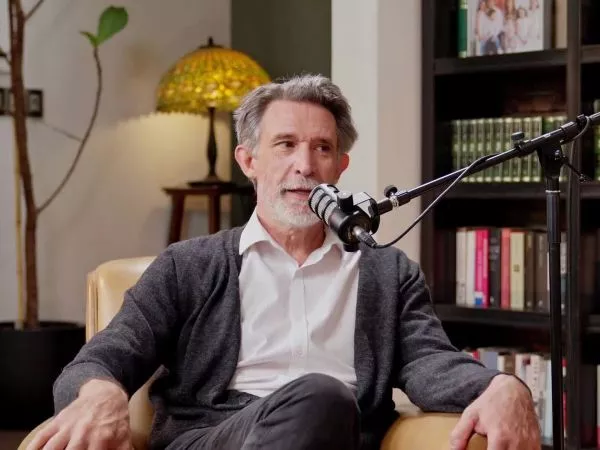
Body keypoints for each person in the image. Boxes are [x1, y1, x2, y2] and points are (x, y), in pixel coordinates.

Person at [26, 74, 540, 450]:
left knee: (326, 400)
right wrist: (99, 393)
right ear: (249, 160)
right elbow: (102, 357)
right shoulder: (188, 266)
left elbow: (429, 362)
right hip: (213, 439)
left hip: (339, 435)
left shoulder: (387, 272)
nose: (305, 165)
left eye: (322, 148)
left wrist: (502, 385)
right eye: (286, 145)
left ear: (340, 167)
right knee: (321, 395)